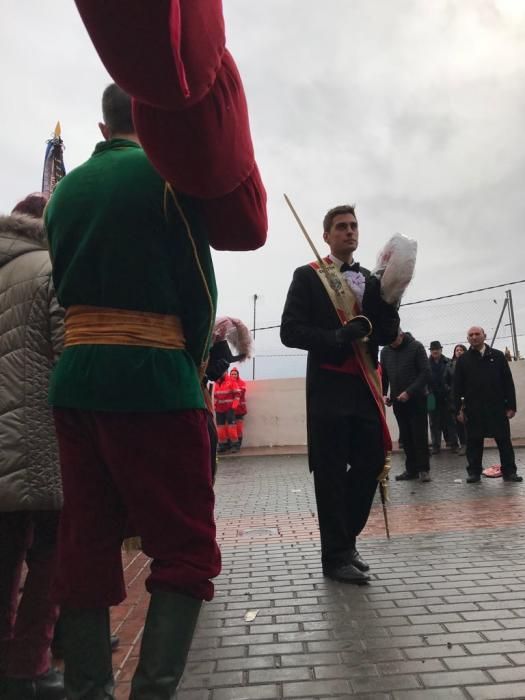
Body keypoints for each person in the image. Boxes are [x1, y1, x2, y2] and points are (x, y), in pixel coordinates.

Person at [44, 4, 267, 696]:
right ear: (147, 117)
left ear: (101, 127)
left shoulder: (64, 192)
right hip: (154, 382)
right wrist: (194, 355)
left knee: (83, 541)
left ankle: (86, 688)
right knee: (184, 546)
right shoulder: (170, 178)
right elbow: (198, 286)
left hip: (76, 381)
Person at [281, 204, 399, 585]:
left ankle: (344, 540)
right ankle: (335, 557)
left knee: (371, 463)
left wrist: (391, 303)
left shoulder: (372, 279)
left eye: (353, 226)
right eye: (341, 227)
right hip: (329, 389)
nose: (349, 232)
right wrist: (335, 337)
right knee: (330, 474)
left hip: (365, 388)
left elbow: (384, 333)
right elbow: (291, 331)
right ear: (327, 235)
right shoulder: (308, 276)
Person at [0, 194, 65, 699]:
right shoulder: (50, 269)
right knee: (50, 554)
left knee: (3, 555)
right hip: (39, 437)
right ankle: (29, 666)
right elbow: (68, 356)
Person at [454, 326, 522, 483]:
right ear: (468, 339)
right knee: (474, 443)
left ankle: (510, 472)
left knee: (504, 441)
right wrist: (457, 409)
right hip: (473, 408)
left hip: (497, 407)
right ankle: (474, 473)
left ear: (484, 336)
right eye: (470, 335)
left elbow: (507, 382)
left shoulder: (497, 356)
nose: (474, 337)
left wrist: (511, 406)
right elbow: (457, 387)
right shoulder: (463, 360)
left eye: (477, 334)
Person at [381, 330, 432, 482]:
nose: (391, 342)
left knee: (419, 435)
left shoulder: (416, 347)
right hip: (398, 400)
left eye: (393, 339)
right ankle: (411, 470)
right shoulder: (385, 351)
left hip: (416, 399)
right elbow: (384, 376)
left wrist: (409, 392)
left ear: (401, 335)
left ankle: (424, 469)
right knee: (406, 437)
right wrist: (384, 393)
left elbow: (425, 373)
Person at [428, 340, 459, 454]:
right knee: (433, 423)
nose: (435, 351)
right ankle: (436, 446)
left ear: (441, 350)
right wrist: (427, 393)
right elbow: (423, 380)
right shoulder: (425, 364)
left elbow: (453, 380)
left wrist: (450, 392)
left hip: (446, 396)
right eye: (433, 350)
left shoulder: (449, 362)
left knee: (450, 421)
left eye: (437, 349)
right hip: (431, 398)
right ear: (431, 351)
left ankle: (454, 444)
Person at [446, 344, 468, 456]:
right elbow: (446, 380)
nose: (459, 352)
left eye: (461, 350)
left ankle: (472, 444)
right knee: (459, 422)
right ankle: (463, 444)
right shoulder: (450, 365)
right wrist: (450, 390)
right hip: (455, 397)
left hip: (470, 396)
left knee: (470, 421)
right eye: (457, 350)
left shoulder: (470, 363)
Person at [213, 371, 241, 453]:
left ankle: (235, 446)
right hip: (219, 409)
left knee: (231, 427)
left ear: (225, 372)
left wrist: (233, 407)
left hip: (230, 409)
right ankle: (223, 446)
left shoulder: (232, 381)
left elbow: (237, 394)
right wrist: (215, 406)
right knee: (220, 428)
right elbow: (215, 396)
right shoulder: (217, 382)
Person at [230, 368, 247, 448]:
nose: (233, 375)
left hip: (240, 409)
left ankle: (238, 443)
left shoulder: (242, 383)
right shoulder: (227, 383)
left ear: (238, 375)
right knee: (231, 428)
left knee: (239, 428)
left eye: (235, 374)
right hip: (230, 410)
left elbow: (240, 393)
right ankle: (233, 444)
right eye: (232, 374)